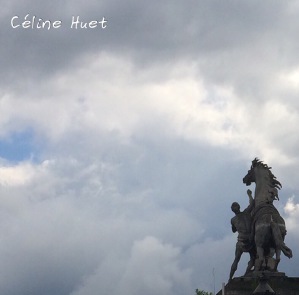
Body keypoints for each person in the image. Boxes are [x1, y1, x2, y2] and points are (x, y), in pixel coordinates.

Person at [229, 189, 256, 281]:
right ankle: (230, 278)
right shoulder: (245, 213)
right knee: (239, 259)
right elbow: (252, 204)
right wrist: (249, 195)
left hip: (245, 241)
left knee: (238, 259)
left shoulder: (235, 219)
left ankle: (232, 278)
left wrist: (249, 195)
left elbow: (233, 230)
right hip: (246, 241)